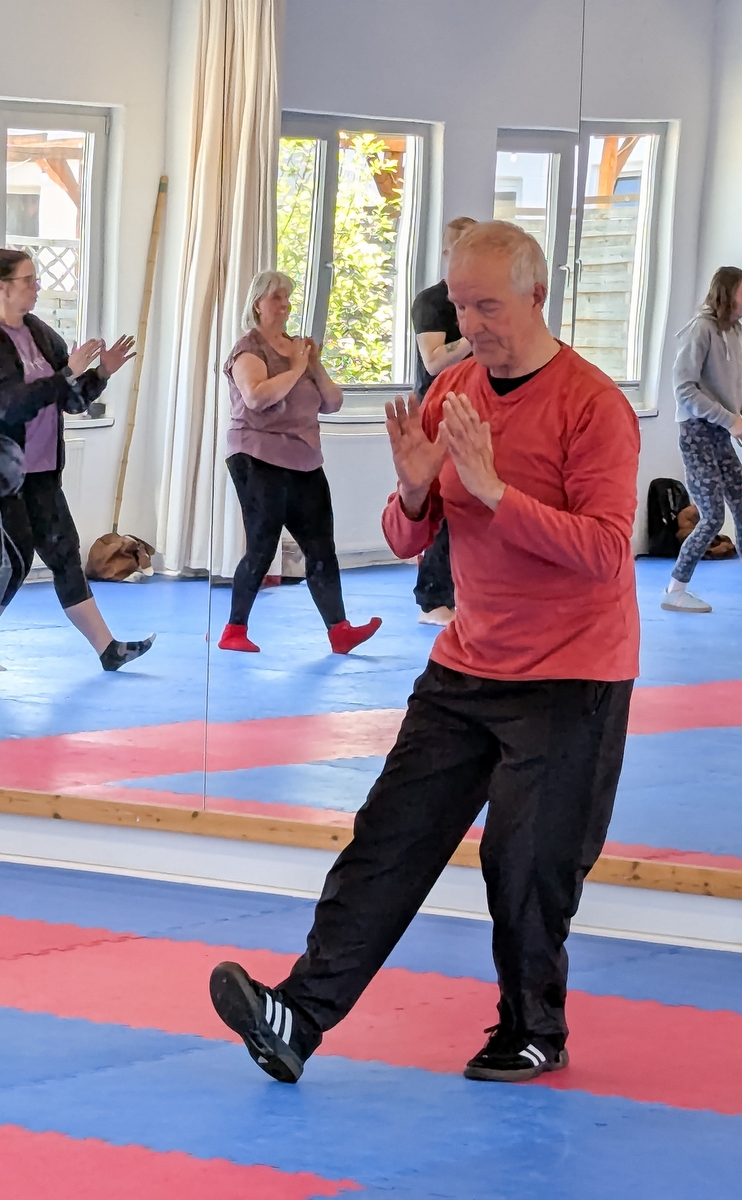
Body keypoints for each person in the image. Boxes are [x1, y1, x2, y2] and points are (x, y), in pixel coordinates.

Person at [210, 221, 640, 1086]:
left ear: (536, 296)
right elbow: (407, 538)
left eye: (489, 307)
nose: (470, 325)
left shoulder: (592, 405)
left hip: (570, 677)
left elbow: (604, 551)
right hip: (466, 665)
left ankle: (533, 1029)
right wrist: (411, 492)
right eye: (460, 307)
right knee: (387, 839)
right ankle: (300, 1014)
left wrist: (495, 492)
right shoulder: (451, 392)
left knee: (525, 863)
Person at [0, 248, 154, 672]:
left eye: (36, 279)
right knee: (16, 562)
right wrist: (66, 374)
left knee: (65, 555)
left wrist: (100, 373)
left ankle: (108, 650)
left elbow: (69, 400)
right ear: (1, 288)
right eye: (28, 280)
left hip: (42, 471)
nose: (37, 287)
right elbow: (8, 406)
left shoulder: (41, 334)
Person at [217, 270, 381, 654]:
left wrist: (313, 364)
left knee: (321, 547)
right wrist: (294, 368)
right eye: (276, 297)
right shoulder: (249, 349)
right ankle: (234, 629)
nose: (285, 304)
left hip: (304, 459)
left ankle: (340, 629)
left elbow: (333, 402)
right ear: (257, 304)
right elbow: (257, 397)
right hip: (257, 454)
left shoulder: (298, 349)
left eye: (287, 297)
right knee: (262, 545)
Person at [662, 266, 742, 613]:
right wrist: (730, 419)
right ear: (727, 293)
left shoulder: (736, 332)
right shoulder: (700, 330)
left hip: (722, 433)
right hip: (697, 433)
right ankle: (674, 590)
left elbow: (734, 390)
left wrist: (735, 419)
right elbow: (684, 389)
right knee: (711, 517)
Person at [410, 217, 477, 627]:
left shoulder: (477, 300)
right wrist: (475, 333)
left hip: (475, 407)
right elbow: (433, 361)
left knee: (473, 503)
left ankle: (464, 592)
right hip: (437, 413)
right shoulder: (432, 302)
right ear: (449, 254)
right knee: (446, 502)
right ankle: (432, 599)